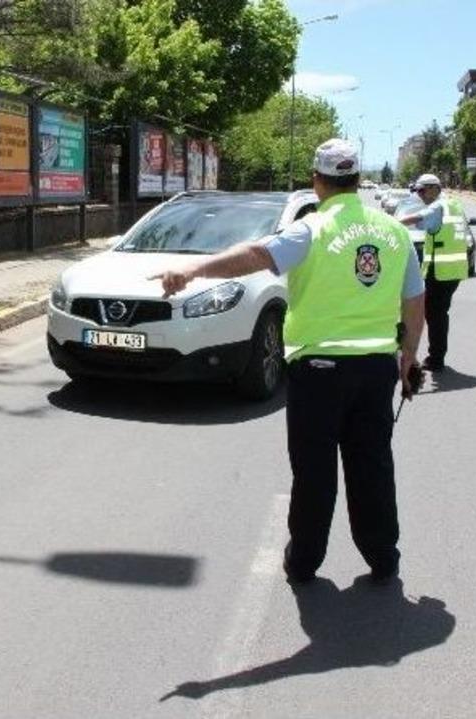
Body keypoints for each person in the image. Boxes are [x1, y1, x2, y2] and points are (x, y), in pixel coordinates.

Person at [149, 139, 425, 584]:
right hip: (376, 371)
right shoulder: (394, 233)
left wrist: (193, 271)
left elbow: (257, 255)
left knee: (315, 471)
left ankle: (304, 562)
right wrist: (408, 357)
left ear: (318, 182)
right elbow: (415, 301)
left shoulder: (312, 229)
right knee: (372, 465)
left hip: (319, 373)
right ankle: (383, 557)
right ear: (356, 181)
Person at [397, 174, 469, 372]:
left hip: (441, 272)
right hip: (452, 271)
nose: (420, 195)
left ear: (434, 188)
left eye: (422, 190)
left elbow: (417, 218)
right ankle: (436, 355)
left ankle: (436, 358)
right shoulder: (453, 204)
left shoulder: (438, 206)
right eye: (417, 191)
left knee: (434, 314)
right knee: (437, 314)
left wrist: (391, 224)